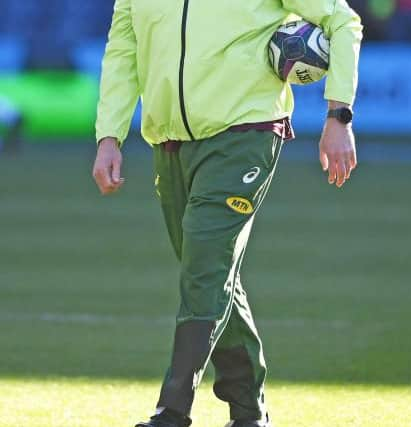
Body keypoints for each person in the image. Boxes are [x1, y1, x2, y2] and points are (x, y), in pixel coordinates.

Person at [92, 0, 363, 426]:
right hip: (169, 141)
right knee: (212, 274)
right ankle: (249, 413)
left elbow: (342, 21)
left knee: (204, 271)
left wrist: (338, 114)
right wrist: (109, 134)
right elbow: (123, 48)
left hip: (245, 134)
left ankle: (172, 411)